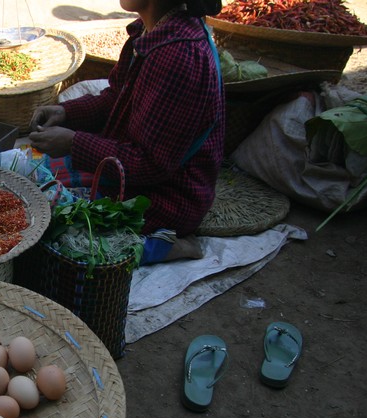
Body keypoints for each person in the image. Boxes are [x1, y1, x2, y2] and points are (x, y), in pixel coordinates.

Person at [28, 0, 225, 263]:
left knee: (46, 231)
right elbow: (116, 98)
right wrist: (66, 113)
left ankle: (165, 246)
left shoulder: (179, 56)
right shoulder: (149, 32)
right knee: (25, 180)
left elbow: (150, 164)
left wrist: (73, 143)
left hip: (166, 198)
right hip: (128, 172)